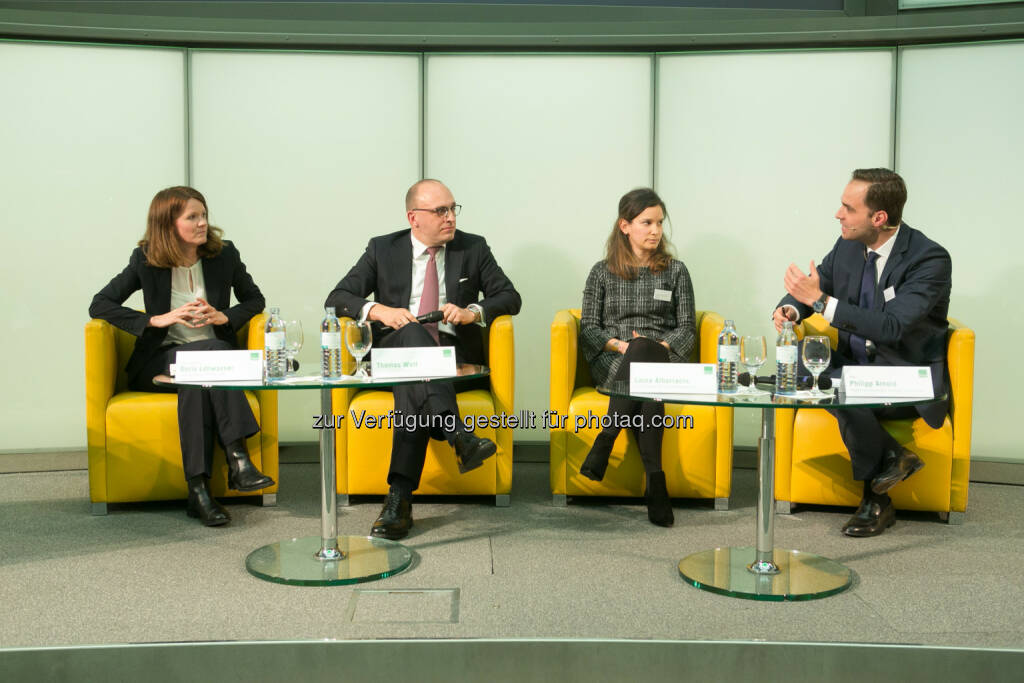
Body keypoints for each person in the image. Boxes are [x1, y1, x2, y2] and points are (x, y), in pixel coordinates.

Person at [325, 179, 521, 540]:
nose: (450, 218)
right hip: (394, 356)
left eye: (452, 209)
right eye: (440, 211)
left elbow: (510, 297)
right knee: (413, 338)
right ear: (413, 218)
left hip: (454, 362)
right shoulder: (383, 248)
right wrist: (380, 310)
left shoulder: (473, 248)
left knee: (413, 387)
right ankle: (457, 433)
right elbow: (338, 297)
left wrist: (471, 312)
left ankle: (399, 499)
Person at [773, 168, 951, 537]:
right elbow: (815, 283)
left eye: (847, 208)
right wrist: (792, 309)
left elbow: (892, 326)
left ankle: (876, 501)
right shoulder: (848, 246)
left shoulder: (929, 260)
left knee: (841, 388)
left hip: (903, 377)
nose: (839, 214)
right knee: (807, 355)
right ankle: (893, 456)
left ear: (879, 218)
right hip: (855, 369)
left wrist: (820, 302)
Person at [89, 186, 275, 527]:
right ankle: (239, 460)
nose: (202, 223)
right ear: (168, 223)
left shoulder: (224, 255)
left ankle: (198, 491)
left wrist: (224, 317)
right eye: (192, 217)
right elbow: (100, 304)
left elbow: (254, 300)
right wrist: (155, 320)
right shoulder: (145, 260)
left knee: (198, 375)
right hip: (161, 362)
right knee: (208, 356)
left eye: (203, 215)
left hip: (204, 368)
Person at [578, 188, 696, 527]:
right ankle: (655, 483)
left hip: (664, 357)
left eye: (660, 223)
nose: (656, 230)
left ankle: (606, 440)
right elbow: (588, 328)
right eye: (647, 222)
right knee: (645, 369)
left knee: (648, 356)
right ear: (625, 226)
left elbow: (687, 328)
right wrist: (620, 345)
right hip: (616, 359)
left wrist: (656, 347)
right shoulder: (602, 272)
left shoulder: (675, 271)